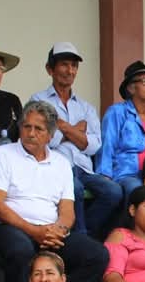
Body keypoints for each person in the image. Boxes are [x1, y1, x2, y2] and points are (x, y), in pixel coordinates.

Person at [0, 99, 109, 282]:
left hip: (50, 231)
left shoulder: (61, 163)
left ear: (50, 135)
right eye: (27, 127)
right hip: (9, 227)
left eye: (38, 129)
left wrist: (58, 231)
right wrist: (34, 231)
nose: (31, 133)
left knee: (97, 255)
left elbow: (67, 212)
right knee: (21, 250)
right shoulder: (2, 154)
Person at [31, 42, 118, 241]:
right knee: (75, 189)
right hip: (55, 165)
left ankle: (85, 235)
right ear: (50, 69)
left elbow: (94, 145)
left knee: (113, 192)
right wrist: (76, 130)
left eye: (74, 66)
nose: (70, 71)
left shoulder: (86, 107)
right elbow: (43, 140)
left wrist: (63, 127)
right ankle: (80, 238)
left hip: (84, 167)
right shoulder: (38, 100)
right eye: (64, 65)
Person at [96, 61, 145, 201]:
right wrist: (105, 176)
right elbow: (107, 146)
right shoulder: (117, 112)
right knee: (138, 191)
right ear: (131, 88)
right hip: (128, 174)